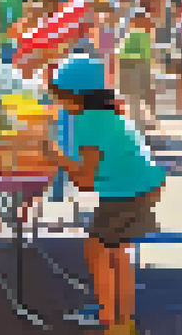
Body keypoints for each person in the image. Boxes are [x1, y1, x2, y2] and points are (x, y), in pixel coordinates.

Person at [43, 53, 168, 335]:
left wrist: (56, 157)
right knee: (118, 252)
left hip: (127, 192)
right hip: (142, 186)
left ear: (76, 96)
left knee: (97, 250)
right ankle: (122, 319)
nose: (56, 101)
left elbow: (86, 181)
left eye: (59, 95)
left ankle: (108, 319)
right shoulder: (105, 114)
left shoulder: (88, 123)